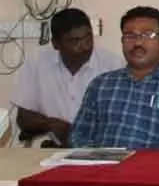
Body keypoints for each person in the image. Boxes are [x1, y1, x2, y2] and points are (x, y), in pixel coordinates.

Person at [71, 6, 159, 149]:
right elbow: (78, 135)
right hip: (104, 167)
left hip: (157, 169)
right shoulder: (101, 84)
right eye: (129, 36)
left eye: (147, 35)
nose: (138, 43)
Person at [13, 8, 121, 147]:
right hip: (54, 149)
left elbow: (120, 121)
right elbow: (23, 119)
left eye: (88, 38)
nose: (84, 46)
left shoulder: (113, 65)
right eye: (74, 41)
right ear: (56, 44)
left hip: (99, 149)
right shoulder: (37, 62)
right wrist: (51, 124)